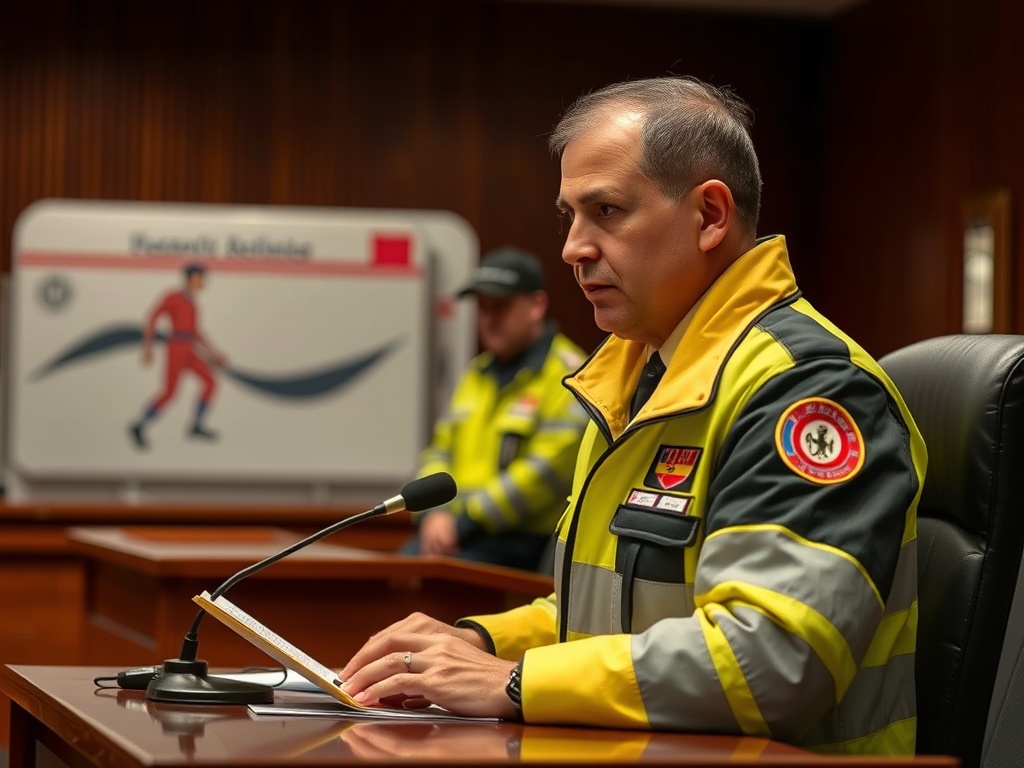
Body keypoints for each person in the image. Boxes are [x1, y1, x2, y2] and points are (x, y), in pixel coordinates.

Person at [339, 76, 927, 756]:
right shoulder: (637, 375)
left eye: (608, 211)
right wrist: (478, 642)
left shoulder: (806, 390)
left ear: (709, 215)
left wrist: (516, 681)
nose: (573, 248)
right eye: (570, 216)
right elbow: (606, 620)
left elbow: (771, 662)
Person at [398, 246, 589, 572]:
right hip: (455, 535)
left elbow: (542, 474)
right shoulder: (477, 373)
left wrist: (463, 522)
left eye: (500, 306)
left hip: (520, 544)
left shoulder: (572, 376)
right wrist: (433, 514)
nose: (488, 319)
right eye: (482, 307)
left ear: (536, 306)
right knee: (394, 577)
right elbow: (439, 452)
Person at [129, 262, 228, 449]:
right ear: (191, 279)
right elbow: (153, 317)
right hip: (176, 347)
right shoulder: (173, 297)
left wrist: (212, 353)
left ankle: (196, 425)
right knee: (170, 393)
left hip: (189, 348)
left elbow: (196, 332)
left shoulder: (193, 303)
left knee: (210, 381)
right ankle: (139, 425)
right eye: (200, 279)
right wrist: (148, 347)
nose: (203, 283)